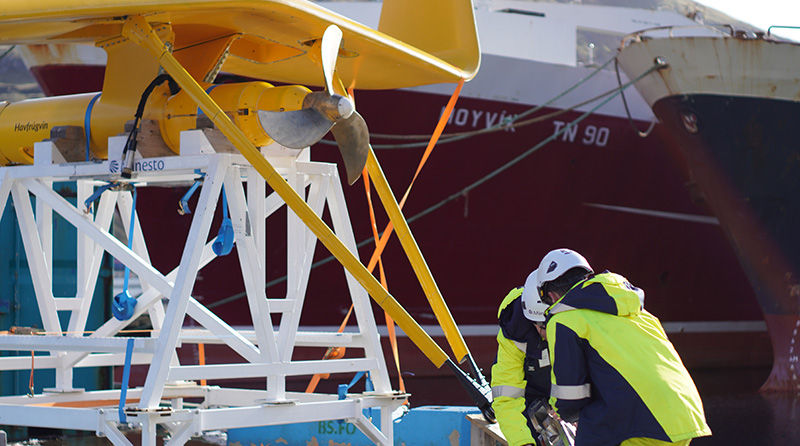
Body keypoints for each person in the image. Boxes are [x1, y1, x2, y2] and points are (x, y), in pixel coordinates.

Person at [533, 248, 711, 446]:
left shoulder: (563, 320)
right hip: (682, 415)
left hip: (637, 423)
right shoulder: (639, 311)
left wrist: (560, 411)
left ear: (551, 295)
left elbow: (569, 398)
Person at [491, 269, 552, 446]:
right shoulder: (515, 332)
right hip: (531, 405)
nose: (545, 332)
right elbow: (507, 397)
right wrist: (522, 442)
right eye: (540, 326)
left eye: (549, 325)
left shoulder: (582, 325)